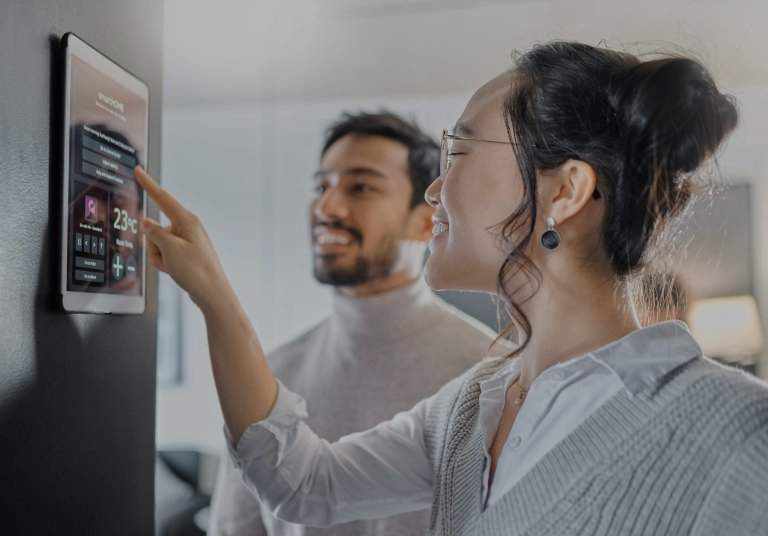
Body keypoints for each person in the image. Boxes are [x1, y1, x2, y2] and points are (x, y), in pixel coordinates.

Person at [136, 41, 768, 535]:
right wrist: (214, 296)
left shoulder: (739, 435)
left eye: (458, 154)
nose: (434, 191)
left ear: (567, 191)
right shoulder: (471, 408)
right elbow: (303, 482)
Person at [207, 111, 499, 536]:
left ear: (425, 219)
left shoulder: (488, 372)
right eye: (322, 186)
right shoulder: (268, 373)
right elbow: (235, 527)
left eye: (361, 187)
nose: (326, 207)